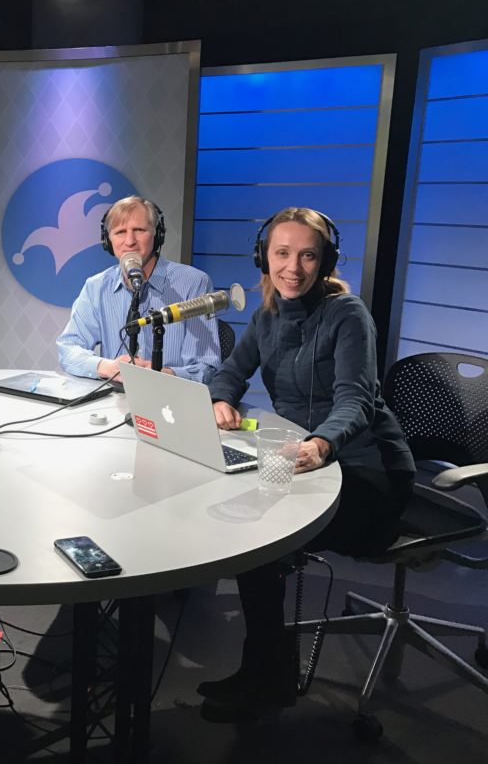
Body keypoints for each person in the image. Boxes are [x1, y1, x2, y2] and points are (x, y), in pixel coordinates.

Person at [198, 207, 415, 722]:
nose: (293, 268)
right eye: (282, 253)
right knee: (237, 514)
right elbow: (230, 372)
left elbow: (355, 402)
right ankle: (267, 671)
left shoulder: (348, 315)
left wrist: (321, 444)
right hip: (303, 461)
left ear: (326, 261)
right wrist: (221, 399)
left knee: (261, 542)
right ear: (263, 257)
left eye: (308, 255)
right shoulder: (267, 317)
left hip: (367, 470)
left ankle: (267, 678)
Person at [56, 195, 221, 383]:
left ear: (157, 235)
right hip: (116, 395)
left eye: (139, 230)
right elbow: (68, 347)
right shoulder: (96, 287)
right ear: (108, 241)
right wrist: (107, 367)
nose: (130, 241)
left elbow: (206, 367)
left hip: (171, 395)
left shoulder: (194, 283)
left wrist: (165, 374)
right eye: (120, 232)